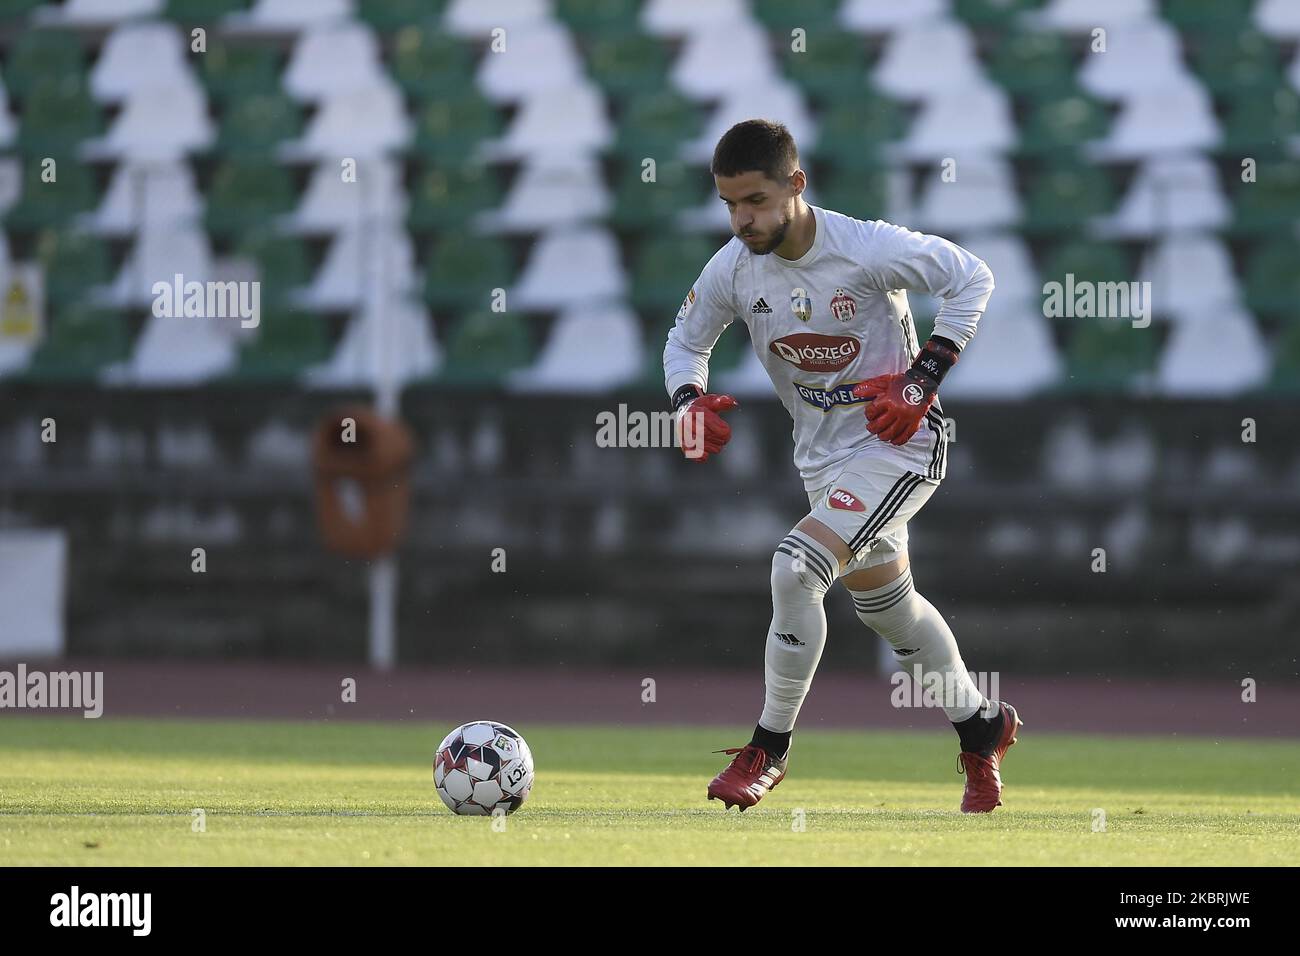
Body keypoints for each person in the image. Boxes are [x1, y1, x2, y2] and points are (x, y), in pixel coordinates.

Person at [663, 119, 1022, 813]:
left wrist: (922, 379)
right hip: (824, 458)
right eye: (730, 204)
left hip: (900, 444)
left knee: (794, 566)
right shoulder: (734, 268)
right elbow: (685, 340)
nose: (743, 219)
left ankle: (769, 747)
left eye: (757, 201)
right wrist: (688, 399)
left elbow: (971, 277)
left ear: (796, 185)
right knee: (891, 613)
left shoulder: (863, 247)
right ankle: (982, 726)